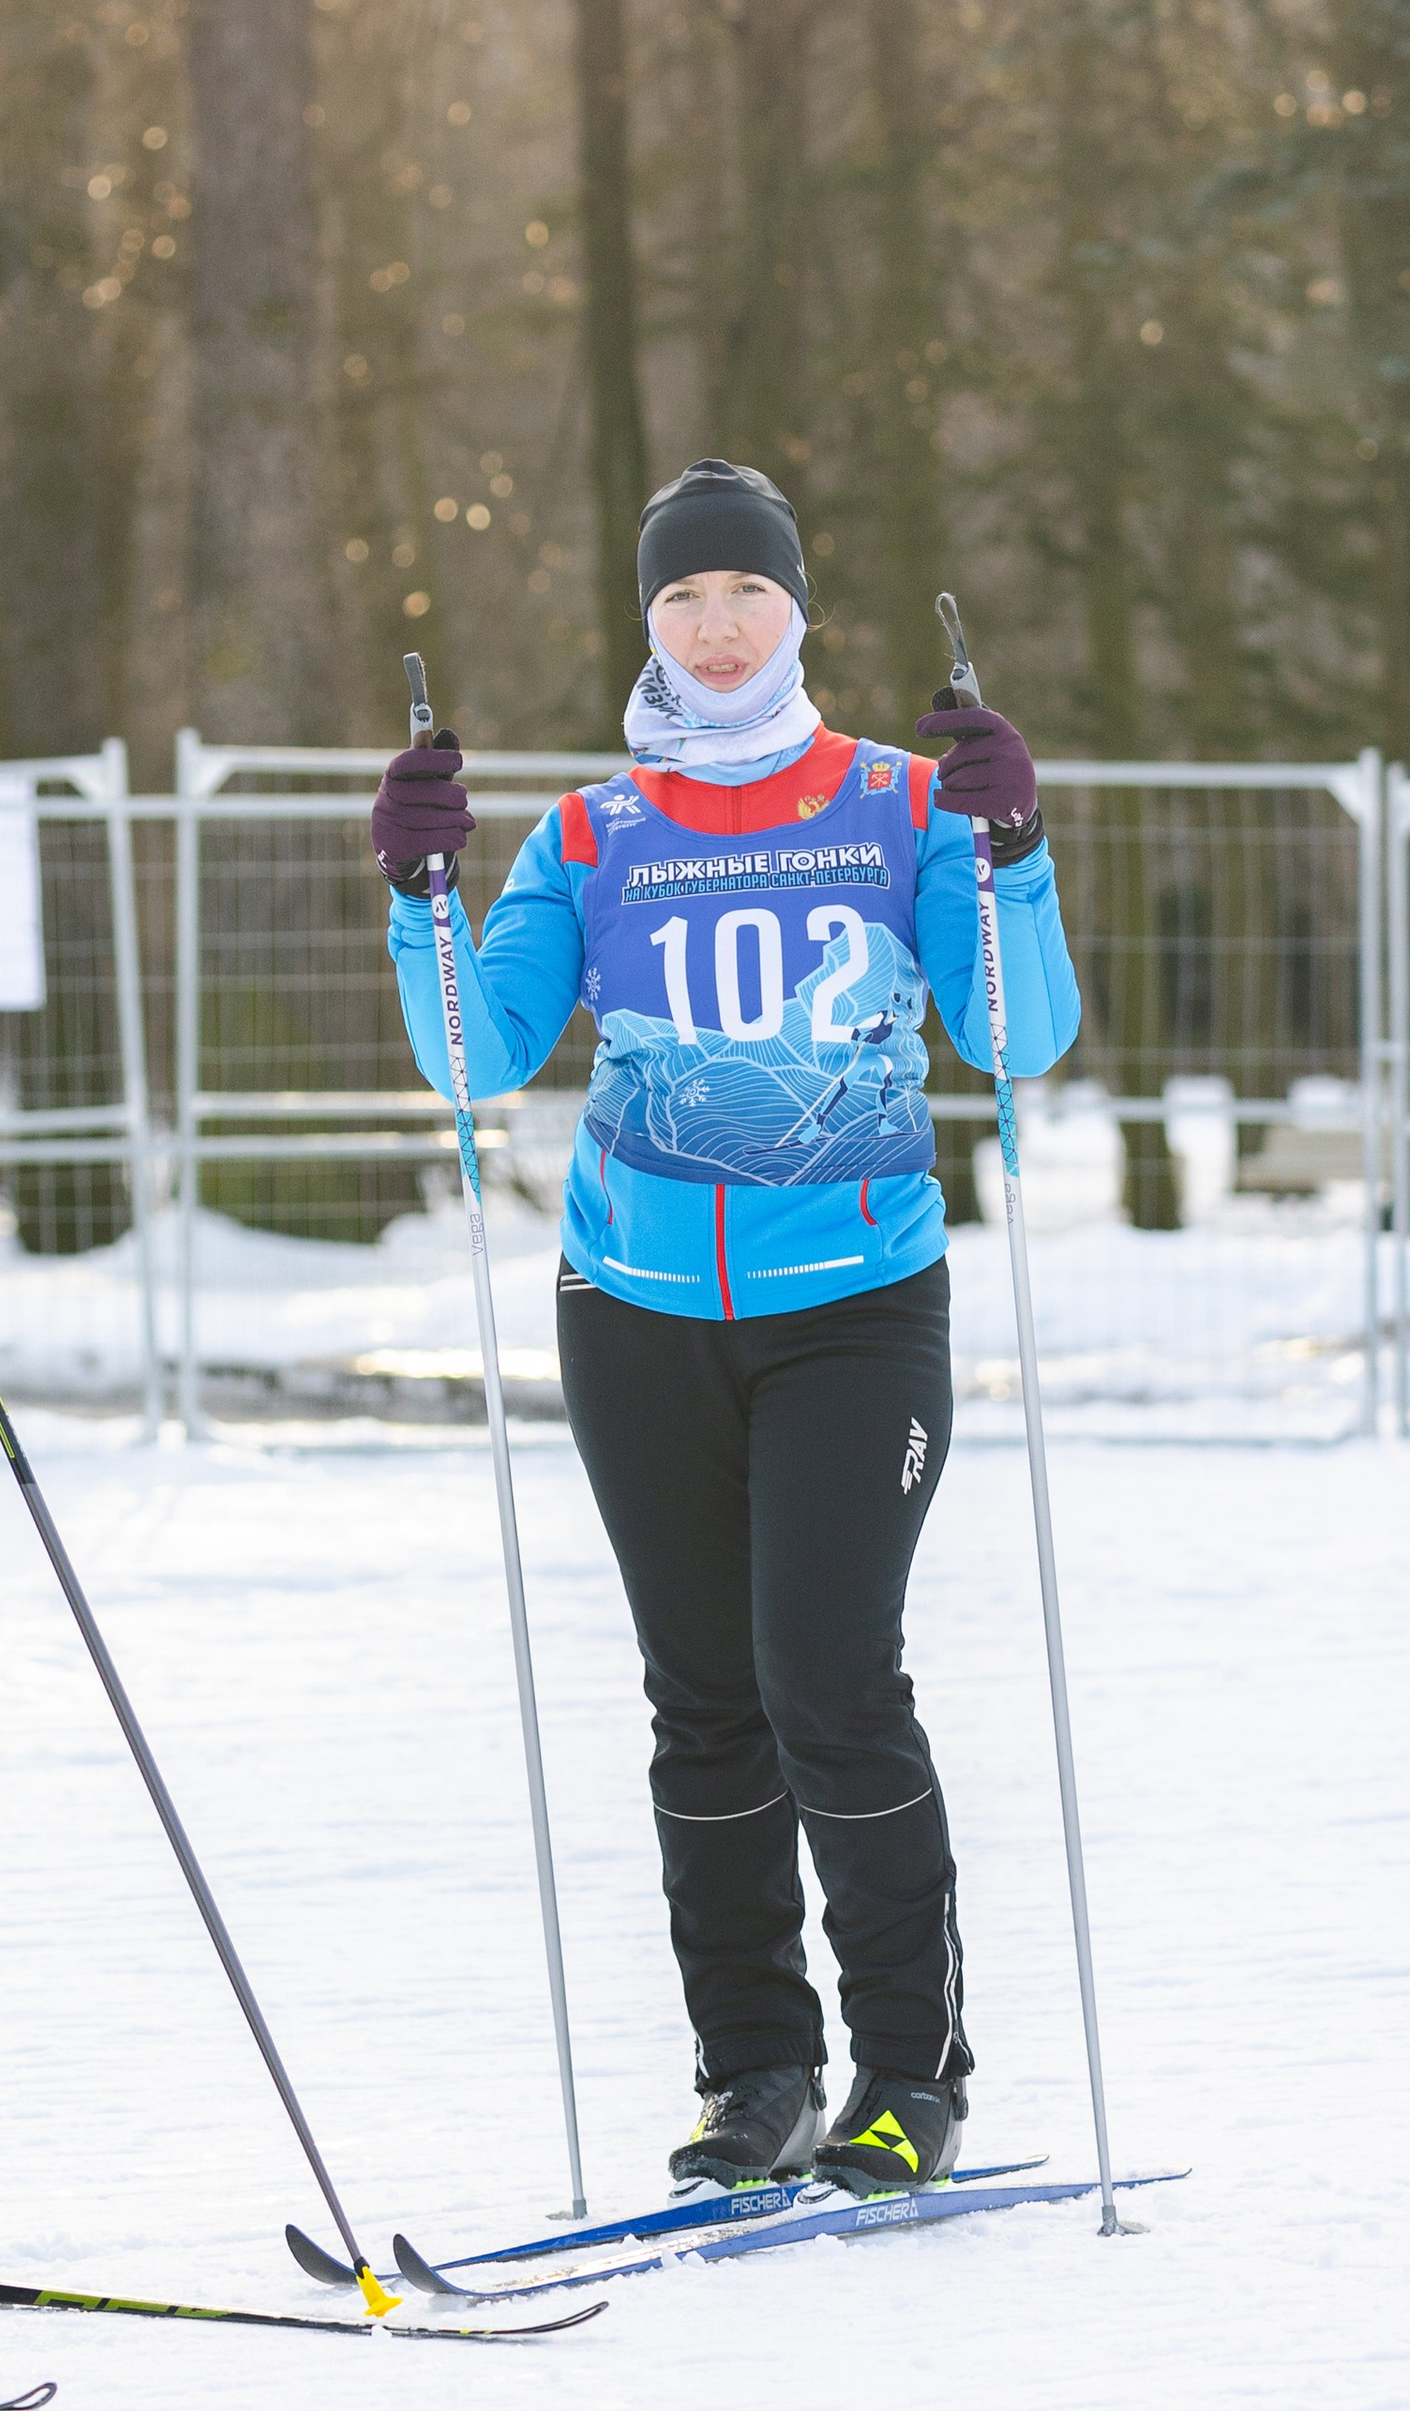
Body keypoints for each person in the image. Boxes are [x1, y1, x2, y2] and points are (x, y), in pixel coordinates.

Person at [370, 460, 1079, 2197]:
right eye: (682, 599)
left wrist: (1014, 852)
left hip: (853, 1308)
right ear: (652, 625)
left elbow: (1018, 1035)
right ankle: (754, 2068)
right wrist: (418, 896)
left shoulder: (902, 805)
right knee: (703, 1704)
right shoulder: (593, 832)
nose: (714, 624)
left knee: (828, 1679)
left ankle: (912, 2074)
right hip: (636, 1311)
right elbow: (477, 1057)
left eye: (743, 593)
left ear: (798, 613)